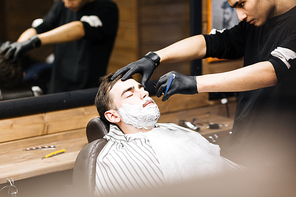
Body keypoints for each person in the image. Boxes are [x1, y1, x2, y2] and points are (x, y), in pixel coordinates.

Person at [111, 0, 296, 168]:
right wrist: (155, 57)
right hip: (245, 146)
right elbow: (208, 43)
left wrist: (194, 83)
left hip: (282, 155)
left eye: (242, 3)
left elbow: (272, 71)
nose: (240, 15)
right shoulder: (254, 24)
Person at [93, 73, 242, 196]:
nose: (144, 93)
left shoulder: (174, 130)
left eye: (141, 88)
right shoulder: (115, 159)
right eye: (130, 94)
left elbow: (229, 171)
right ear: (113, 117)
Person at [1, 0, 118, 93]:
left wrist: (35, 41)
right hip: (57, 85)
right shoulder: (61, 5)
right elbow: (40, 28)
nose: (66, 4)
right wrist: (18, 46)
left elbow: (79, 28)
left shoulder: (107, 9)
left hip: (87, 89)